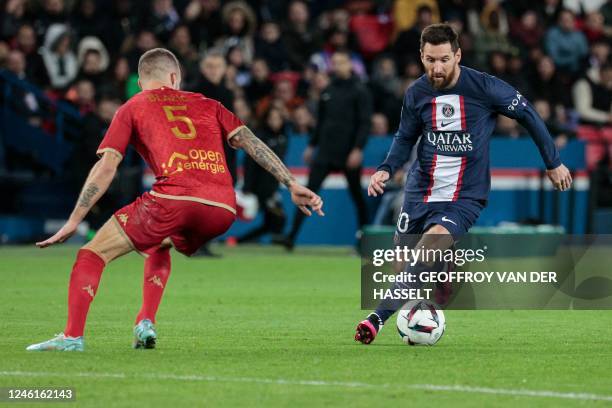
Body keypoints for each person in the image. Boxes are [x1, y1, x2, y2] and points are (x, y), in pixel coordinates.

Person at [26, 48, 324, 352]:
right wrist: (290, 183)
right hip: (222, 207)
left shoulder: (133, 106)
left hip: (174, 199)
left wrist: (74, 220)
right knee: (160, 243)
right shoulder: (209, 103)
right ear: (174, 77)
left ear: (141, 82)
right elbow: (251, 141)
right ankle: (145, 322)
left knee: (91, 254)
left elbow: (107, 167)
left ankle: (72, 337)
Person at [354, 24, 572, 345]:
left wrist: (553, 162)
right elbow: (405, 137)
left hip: (465, 196)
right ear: (421, 56)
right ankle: (423, 305)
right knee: (404, 264)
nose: (437, 68)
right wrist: (386, 169)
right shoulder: (417, 92)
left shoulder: (485, 88)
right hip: (419, 191)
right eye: (430, 60)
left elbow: (528, 114)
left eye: (444, 59)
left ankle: (377, 319)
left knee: (427, 249)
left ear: (458, 55)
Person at [278, 50, 372, 250]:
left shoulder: (359, 90)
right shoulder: (328, 90)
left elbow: (365, 123)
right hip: (326, 151)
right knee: (307, 192)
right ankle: (291, 237)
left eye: (341, 62)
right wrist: (312, 145)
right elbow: (321, 122)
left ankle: (366, 240)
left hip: (348, 151)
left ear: (349, 64)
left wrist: (358, 149)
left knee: (357, 197)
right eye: (335, 63)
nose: (337, 66)